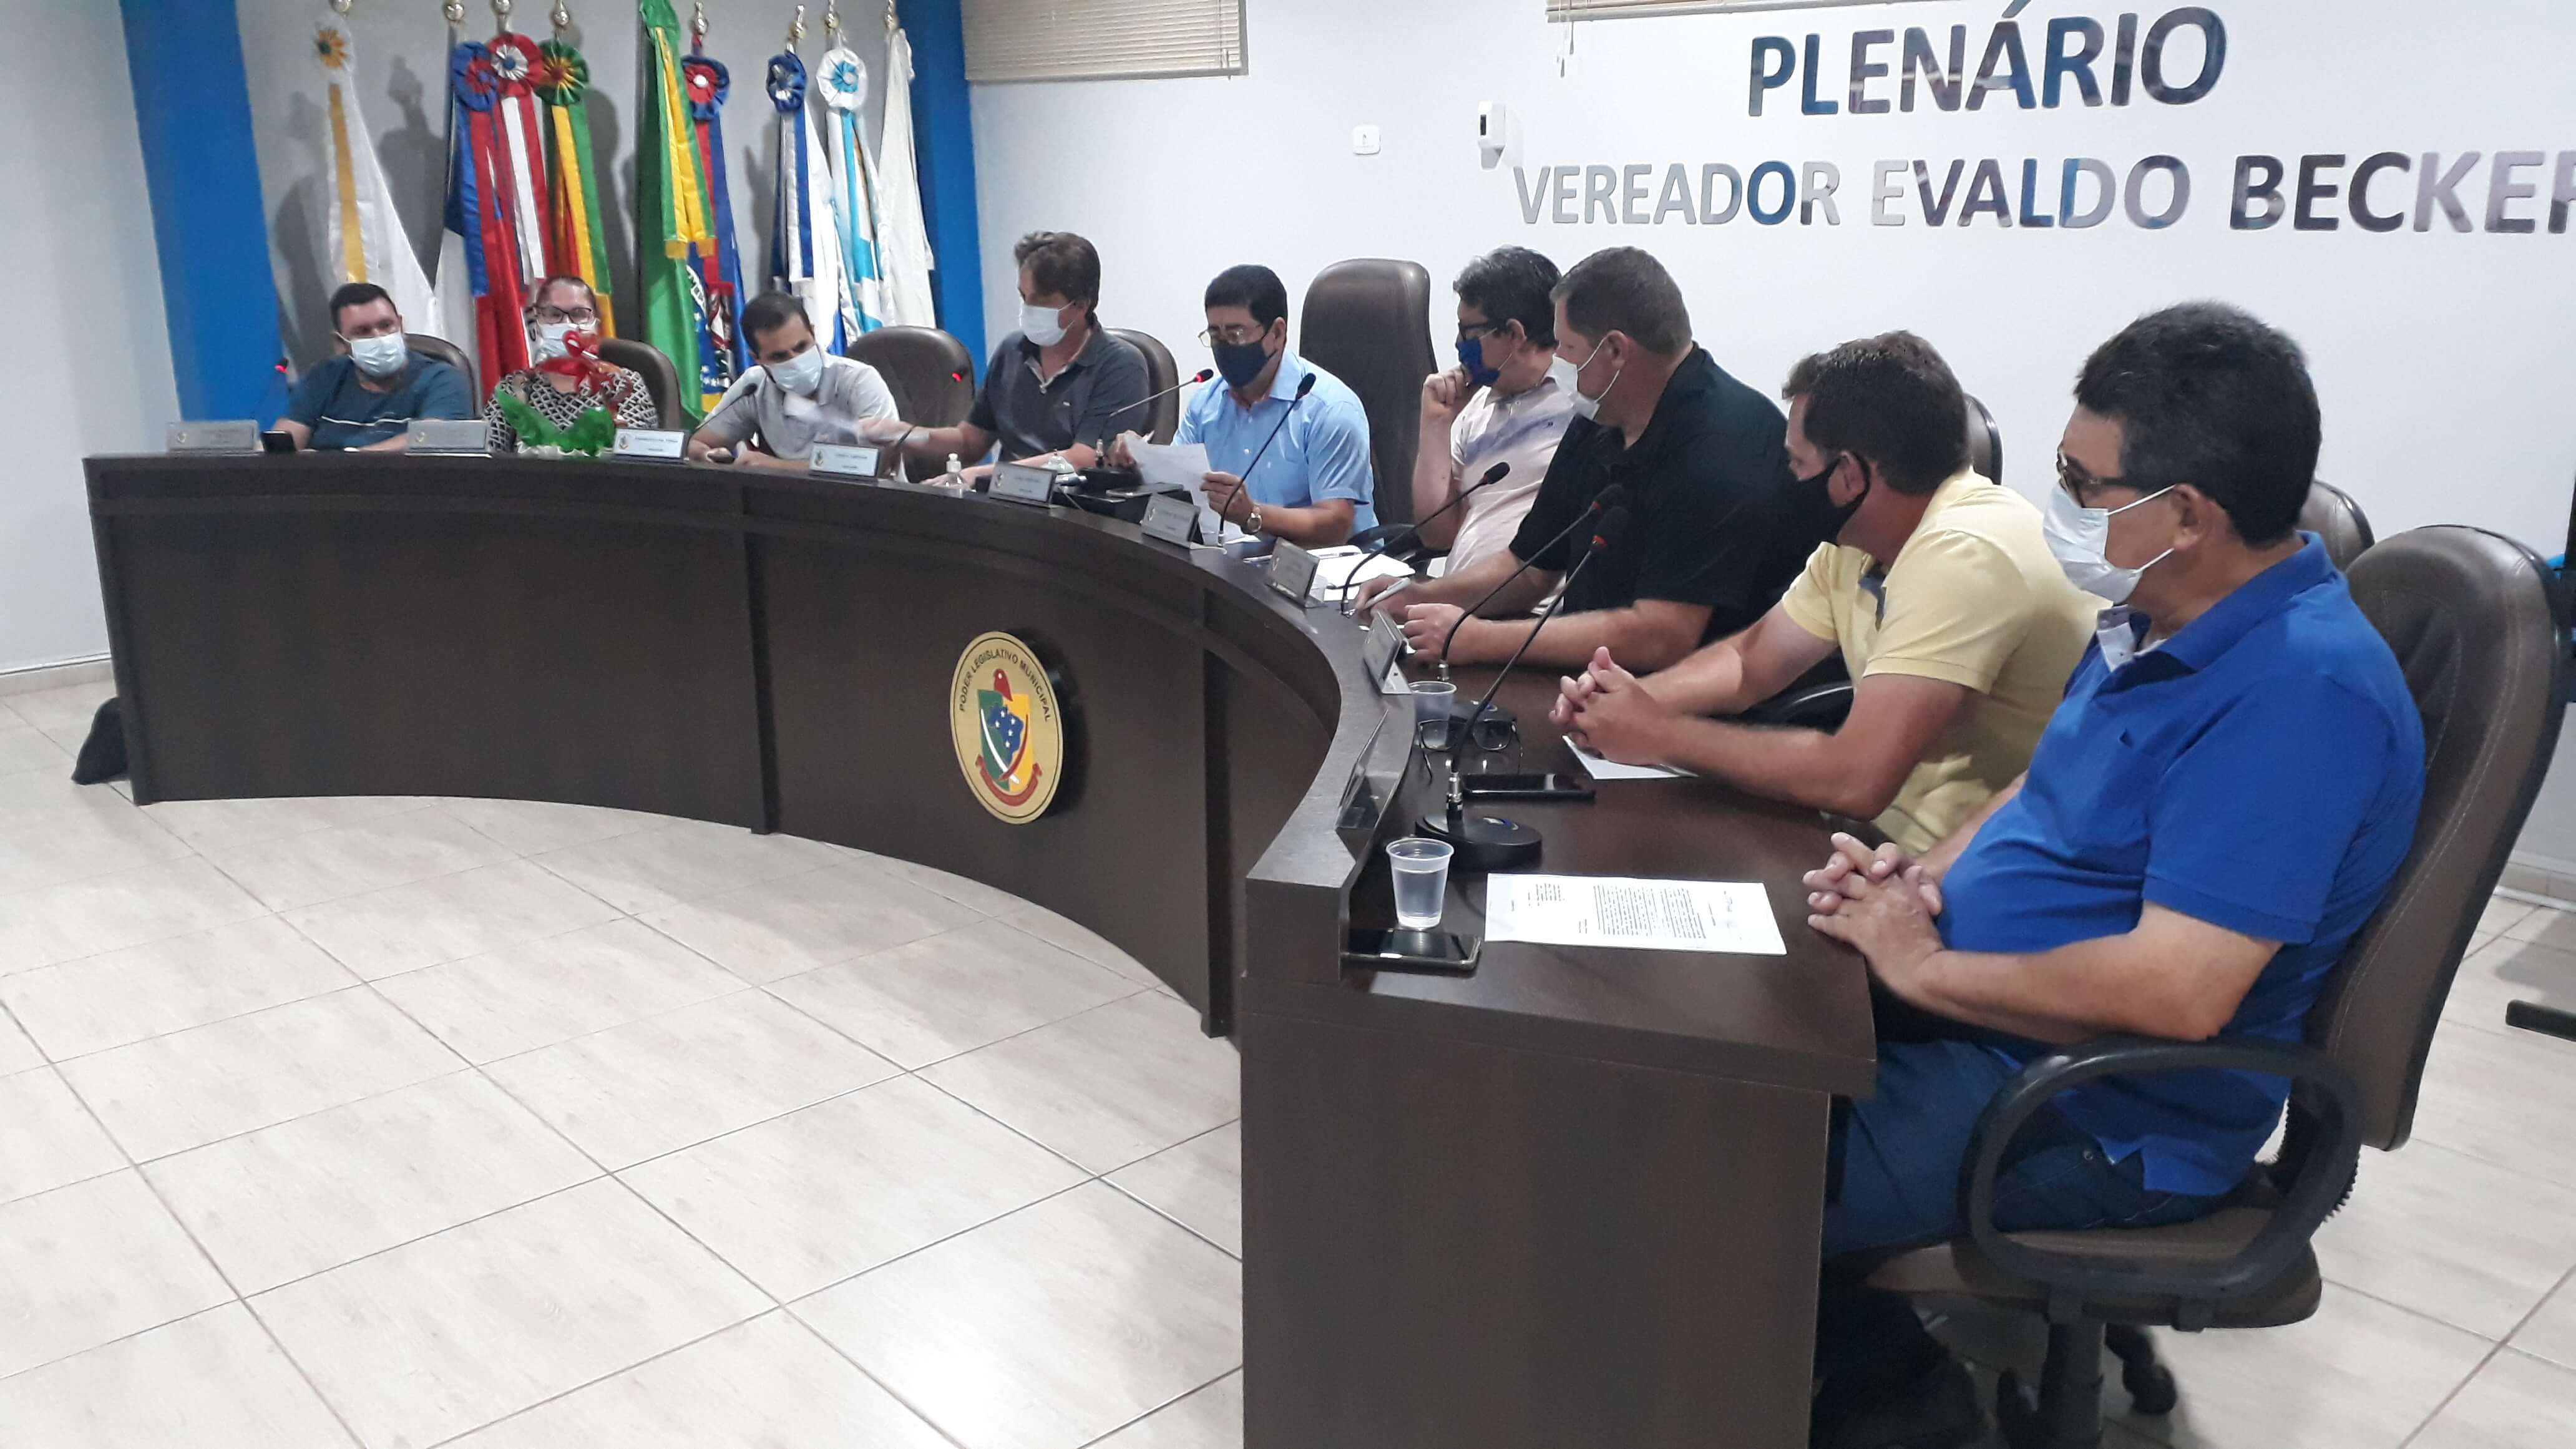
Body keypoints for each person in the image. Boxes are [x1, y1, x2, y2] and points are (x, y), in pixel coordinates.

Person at [1797, 303, 2425, 1449]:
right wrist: (1917, 879)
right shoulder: (2157, 613)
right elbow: (2036, 786)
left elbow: (2176, 991)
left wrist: (1924, 967)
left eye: (2085, 485)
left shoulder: (2300, 694)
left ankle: (1893, 1396)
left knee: (1735, 1171)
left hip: (2096, 1108)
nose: (2064, 506)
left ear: (2186, 514)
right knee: (1741, 1046)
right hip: (1993, 1027)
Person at [1549, 332, 2094, 854]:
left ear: (1850, 475)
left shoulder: (1965, 552)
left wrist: (1660, 735)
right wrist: (1627, 705)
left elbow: (1855, 778)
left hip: (1958, 868)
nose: (1784, 479)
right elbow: (1750, 662)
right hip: (1876, 848)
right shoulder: (1860, 537)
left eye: (1797, 463)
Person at [1354, 246, 1825, 673]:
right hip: (1594, 675)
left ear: (1616, 350)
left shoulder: (1722, 446)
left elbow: (1663, 636)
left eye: (1567, 348)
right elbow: (1530, 568)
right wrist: (1418, 596)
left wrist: (1477, 638)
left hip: (1693, 696)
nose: (1557, 360)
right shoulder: (1601, 416)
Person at [1114, 264, 1376, 547]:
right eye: (1216, 336)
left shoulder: (1329, 409)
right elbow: (1178, 490)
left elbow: (1335, 525)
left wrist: (1252, 514)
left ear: (1277, 334)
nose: (1224, 347)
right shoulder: (1206, 402)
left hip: (1319, 564)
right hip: (1228, 559)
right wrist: (1139, 462)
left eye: (1236, 335)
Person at [870, 232, 1149, 481]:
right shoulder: (1013, 350)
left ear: (1081, 305)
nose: (1028, 309)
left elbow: (1082, 459)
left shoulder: (1120, 365)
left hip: (1071, 509)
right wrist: (905, 434)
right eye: (1023, 297)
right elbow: (969, 442)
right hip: (1003, 501)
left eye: (1041, 301)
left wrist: (979, 477)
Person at [1405, 246, 1575, 572]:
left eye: (1468, 332)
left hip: (1535, 600)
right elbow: (1437, 534)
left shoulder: (1581, 404)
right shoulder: (1479, 408)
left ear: (1514, 334)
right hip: (1460, 596)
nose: (1458, 343)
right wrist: (1436, 425)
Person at [687, 291, 899, 467]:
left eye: (801, 347)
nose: (796, 361)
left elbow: (877, 464)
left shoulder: (859, 380)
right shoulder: (753, 386)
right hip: (788, 501)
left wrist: (776, 467)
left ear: (813, 333)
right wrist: (707, 455)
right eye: (779, 357)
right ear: (757, 359)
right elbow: (698, 443)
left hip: (861, 500)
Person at [275, 281, 472, 452]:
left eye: (386, 325)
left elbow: (433, 438)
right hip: (325, 483)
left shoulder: (442, 378)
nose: (378, 337)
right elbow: (285, 442)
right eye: (363, 331)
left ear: (401, 326)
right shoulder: (322, 377)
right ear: (342, 343)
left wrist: (352, 459)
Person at [484, 276, 658, 454]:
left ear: (596, 322)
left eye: (579, 314)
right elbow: (484, 454)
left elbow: (638, 455)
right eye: (554, 314)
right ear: (537, 321)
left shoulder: (624, 385)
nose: (566, 324)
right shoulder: (514, 388)